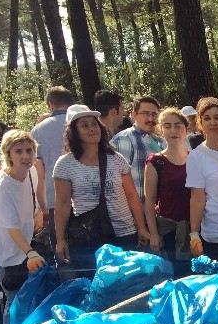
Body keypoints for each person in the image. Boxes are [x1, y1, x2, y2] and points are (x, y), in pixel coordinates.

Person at [53, 104, 147, 274]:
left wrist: (141, 227)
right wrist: (60, 239)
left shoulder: (115, 158)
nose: (91, 129)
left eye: (94, 124)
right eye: (84, 125)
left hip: (124, 233)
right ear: (74, 132)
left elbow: (132, 195)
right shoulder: (65, 164)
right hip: (89, 236)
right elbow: (62, 204)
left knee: (128, 285)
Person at [0, 130, 46, 324]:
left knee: (28, 296)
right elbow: (10, 225)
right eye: (19, 151)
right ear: (8, 154)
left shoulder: (31, 171)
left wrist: (41, 212)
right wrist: (30, 253)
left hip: (26, 243)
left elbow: (37, 199)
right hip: (3, 248)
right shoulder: (0, 185)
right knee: (14, 298)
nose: (25, 156)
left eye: (29, 150)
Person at [186, 98, 218, 268]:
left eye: (217, 118)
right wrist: (194, 233)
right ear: (200, 123)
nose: (213, 122)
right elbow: (197, 198)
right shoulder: (196, 156)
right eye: (207, 118)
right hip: (215, 233)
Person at [142, 108, 191, 273]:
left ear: (186, 129)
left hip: (195, 231)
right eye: (167, 126)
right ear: (161, 130)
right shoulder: (156, 162)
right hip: (168, 232)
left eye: (178, 126)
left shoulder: (195, 158)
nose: (173, 130)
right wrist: (154, 234)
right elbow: (149, 201)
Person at [30, 86, 75, 225]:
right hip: (86, 196)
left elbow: (39, 170)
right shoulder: (83, 123)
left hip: (54, 197)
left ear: (50, 105)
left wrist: (42, 205)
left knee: (60, 242)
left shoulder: (38, 130)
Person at [111, 96, 163, 199]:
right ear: (134, 114)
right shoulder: (124, 139)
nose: (151, 119)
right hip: (134, 210)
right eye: (146, 114)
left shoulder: (159, 140)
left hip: (156, 208)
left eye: (154, 114)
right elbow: (116, 182)